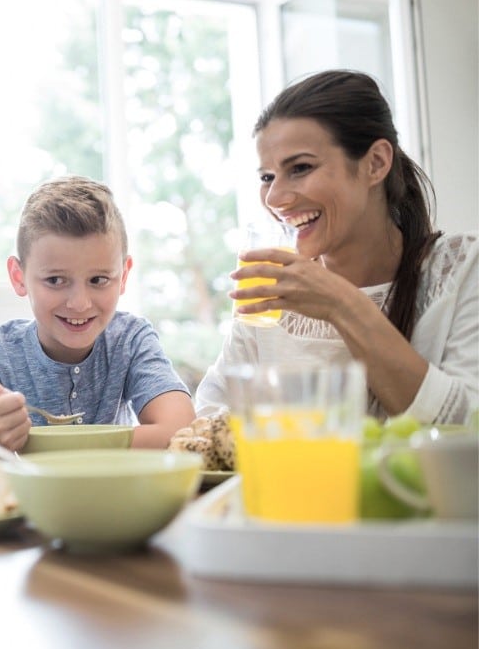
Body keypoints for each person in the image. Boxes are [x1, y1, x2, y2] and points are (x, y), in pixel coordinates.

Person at [196, 70, 478, 424]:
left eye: (300, 168)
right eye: (267, 176)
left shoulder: (462, 269)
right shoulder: (273, 295)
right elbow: (209, 415)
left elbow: (467, 429)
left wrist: (341, 304)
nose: (275, 197)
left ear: (376, 163)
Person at [0, 175, 195, 453]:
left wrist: (47, 445)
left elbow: (181, 431)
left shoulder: (130, 340)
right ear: (18, 276)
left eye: (98, 280)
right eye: (55, 280)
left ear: (123, 276)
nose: (79, 304)